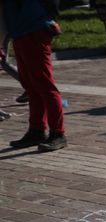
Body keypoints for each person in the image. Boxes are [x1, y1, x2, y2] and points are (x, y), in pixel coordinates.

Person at [4, 0, 68, 151]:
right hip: (20, 33)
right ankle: (37, 130)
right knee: (31, 86)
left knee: (45, 86)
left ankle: (58, 134)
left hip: (34, 30)